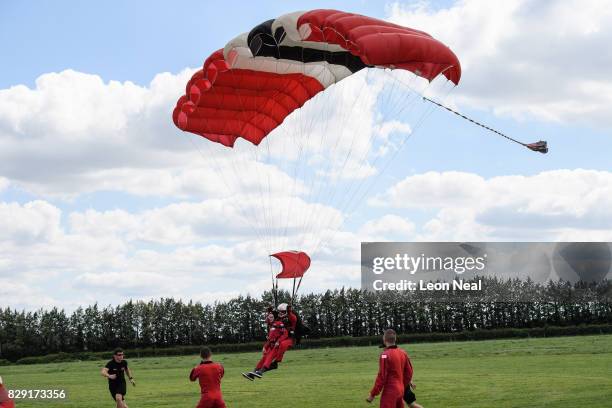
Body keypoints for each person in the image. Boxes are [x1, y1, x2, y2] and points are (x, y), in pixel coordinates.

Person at [366, 329, 422, 408]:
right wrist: (402, 384)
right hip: (401, 390)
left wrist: (373, 394)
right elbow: (409, 372)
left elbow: (382, 377)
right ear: (395, 339)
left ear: (384, 340)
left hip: (390, 391)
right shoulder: (403, 353)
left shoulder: (384, 355)